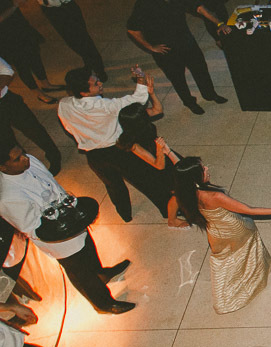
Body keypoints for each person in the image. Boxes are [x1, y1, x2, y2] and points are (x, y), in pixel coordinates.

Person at [0, 141, 134, 314]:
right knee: (81, 273)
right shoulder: (8, 197)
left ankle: (101, 274)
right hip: (58, 239)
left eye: (23, 153)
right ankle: (103, 304)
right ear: (3, 167)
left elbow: (52, 183)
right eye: (17, 159)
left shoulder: (30, 161)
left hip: (71, 217)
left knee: (89, 249)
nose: (26, 158)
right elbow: (31, 228)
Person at [170, 156, 271, 314]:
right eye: (203, 169)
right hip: (234, 229)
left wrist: (169, 153)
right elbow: (249, 210)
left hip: (215, 232)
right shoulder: (214, 197)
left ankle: (224, 294)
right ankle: (253, 280)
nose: (207, 169)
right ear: (195, 178)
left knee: (224, 259)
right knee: (246, 250)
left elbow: (181, 172)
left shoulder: (186, 192)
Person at [58, 68, 169, 221]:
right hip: (118, 150)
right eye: (95, 83)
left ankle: (125, 214)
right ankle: (166, 210)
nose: (100, 83)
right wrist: (141, 80)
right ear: (84, 93)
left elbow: (69, 128)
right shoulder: (105, 106)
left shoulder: (63, 105)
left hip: (94, 156)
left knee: (114, 186)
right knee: (145, 181)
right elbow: (137, 101)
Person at [126, 0, 229, 114]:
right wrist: (151, 47)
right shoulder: (144, 3)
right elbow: (132, 29)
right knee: (177, 78)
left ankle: (210, 94)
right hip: (166, 49)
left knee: (200, 68)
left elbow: (198, 7)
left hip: (185, 39)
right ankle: (189, 102)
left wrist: (218, 23)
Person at [116, 97, 185, 227]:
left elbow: (158, 110)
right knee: (173, 189)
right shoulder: (133, 144)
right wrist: (160, 149)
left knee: (180, 176)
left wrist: (152, 93)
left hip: (157, 153)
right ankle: (172, 219)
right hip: (148, 167)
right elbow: (159, 166)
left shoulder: (140, 125)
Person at [0, 0, 61, 104]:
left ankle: (46, 84)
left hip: (21, 28)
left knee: (35, 56)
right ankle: (38, 93)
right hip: (5, 37)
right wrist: (14, 6)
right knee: (22, 65)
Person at [0, 56, 61, 175]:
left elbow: (7, 71)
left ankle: (53, 155)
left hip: (6, 100)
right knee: (6, 140)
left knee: (33, 129)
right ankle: (22, 166)